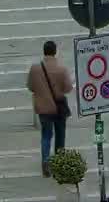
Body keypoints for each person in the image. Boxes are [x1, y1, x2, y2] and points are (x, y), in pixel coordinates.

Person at [25, 40, 73, 176]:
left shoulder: (35, 69)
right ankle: (59, 163)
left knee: (46, 135)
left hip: (43, 108)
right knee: (60, 135)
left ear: (44, 51)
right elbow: (68, 88)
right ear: (55, 51)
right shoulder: (62, 69)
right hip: (58, 108)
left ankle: (45, 162)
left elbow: (30, 87)